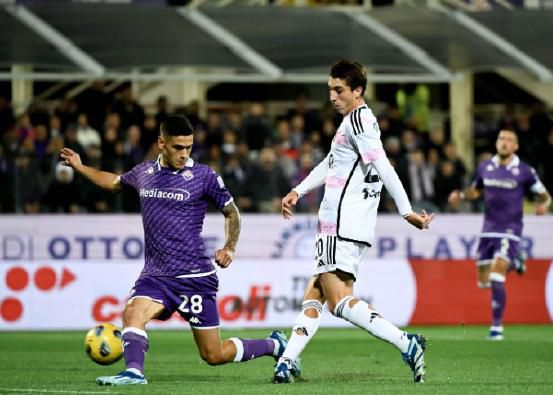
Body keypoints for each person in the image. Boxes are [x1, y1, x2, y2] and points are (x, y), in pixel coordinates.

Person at [60, 115, 289, 386]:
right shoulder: (144, 173)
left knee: (213, 354)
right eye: (177, 147)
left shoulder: (204, 176)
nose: (184, 154)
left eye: (188, 147)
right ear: (161, 143)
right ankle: (134, 372)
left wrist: (229, 247)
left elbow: (232, 212)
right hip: (156, 276)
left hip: (194, 278)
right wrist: (81, 167)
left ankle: (273, 345)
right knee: (133, 312)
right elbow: (113, 182)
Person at [273, 60, 434, 384]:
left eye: (339, 90)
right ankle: (287, 361)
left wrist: (406, 211)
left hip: (341, 224)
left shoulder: (359, 119)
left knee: (338, 301)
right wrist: (298, 190)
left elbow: (383, 165)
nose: (332, 96)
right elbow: (332, 162)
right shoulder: (354, 122)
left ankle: (407, 343)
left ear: (357, 91)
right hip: (345, 224)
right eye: (330, 90)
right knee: (315, 293)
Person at [448, 129, 551, 341]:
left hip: (510, 229)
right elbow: (476, 191)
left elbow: (544, 195)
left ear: (516, 146)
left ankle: (496, 328)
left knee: (497, 276)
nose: (504, 143)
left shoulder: (524, 171)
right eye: (501, 139)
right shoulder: (485, 166)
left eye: (509, 140)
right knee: (484, 281)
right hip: (488, 229)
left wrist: (544, 205)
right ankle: (516, 260)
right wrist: (460, 195)